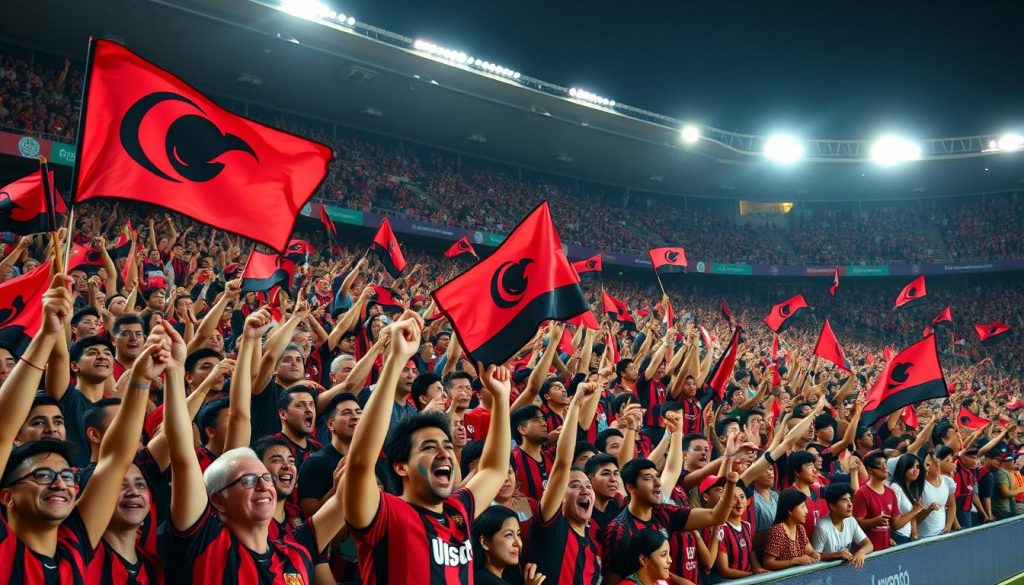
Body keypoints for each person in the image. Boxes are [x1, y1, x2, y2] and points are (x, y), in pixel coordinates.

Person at [164, 312, 349, 583]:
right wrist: (174, 372)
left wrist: (395, 358)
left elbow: (355, 478)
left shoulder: (296, 548)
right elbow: (186, 451)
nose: (265, 486)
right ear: (217, 500)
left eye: (265, 478)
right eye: (249, 480)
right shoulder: (205, 539)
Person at [0, 274, 157, 582]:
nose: (60, 484)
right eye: (43, 475)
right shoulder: (4, 549)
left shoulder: (76, 545)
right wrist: (47, 334)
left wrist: (140, 379)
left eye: (67, 476)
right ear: (6, 497)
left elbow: (115, 458)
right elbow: (3, 429)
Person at [343, 312, 511, 584]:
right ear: (401, 466)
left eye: (446, 445)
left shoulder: (458, 510)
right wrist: (396, 360)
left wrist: (502, 398)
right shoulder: (385, 513)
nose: (445, 453)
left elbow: (494, 469)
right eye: (430, 447)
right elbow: (361, 461)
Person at [527, 382, 602, 585]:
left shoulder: (592, 548)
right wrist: (576, 403)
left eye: (587, 485)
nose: (585, 489)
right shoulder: (552, 527)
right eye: (575, 486)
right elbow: (562, 463)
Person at [471, 506, 543, 585]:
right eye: (509, 535)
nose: (518, 543)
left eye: (518, 534)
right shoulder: (484, 580)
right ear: (484, 542)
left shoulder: (503, 576)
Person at [812, 483, 872, 568]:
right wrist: (836, 555)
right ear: (832, 506)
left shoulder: (851, 520)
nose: (850, 504)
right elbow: (815, 556)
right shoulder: (822, 526)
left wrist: (861, 552)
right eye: (844, 500)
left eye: (850, 499)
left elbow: (869, 544)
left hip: (844, 572)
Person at [761, 489, 821, 570]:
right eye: (802, 507)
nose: (806, 511)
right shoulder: (778, 531)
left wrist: (814, 554)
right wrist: (793, 561)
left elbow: (809, 550)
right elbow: (767, 563)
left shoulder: (800, 528)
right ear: (789, 510)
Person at [853, 450, 898, 552]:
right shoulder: (862, 493)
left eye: (885, 463)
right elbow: (856, 524)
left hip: (885, 550)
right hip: (866, 555)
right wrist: (875, 521)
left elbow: (895, 524)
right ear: (869, 470)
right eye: (879, 463)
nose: (884, 467)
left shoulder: (891, 492)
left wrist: (915, 511)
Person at [918, 446, 957, 537]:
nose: (937, 464)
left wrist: (948, 525)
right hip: (923, 536)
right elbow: (915, 517)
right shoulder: (919, 484)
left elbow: (952, 505)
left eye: (938, 461)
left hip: (942, 535)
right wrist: (928, 510)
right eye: (933, 462)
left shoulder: (948, 481)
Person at [887, 453, 926, 543]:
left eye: (918, 467)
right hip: (898, 537)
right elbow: (895, 525)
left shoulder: (912, 488)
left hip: (908, 538)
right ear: (903, 468)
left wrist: (915, 534)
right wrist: (915, 510)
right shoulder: (895, 488)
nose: (915, 470)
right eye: (911, 467)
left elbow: (913, 517)